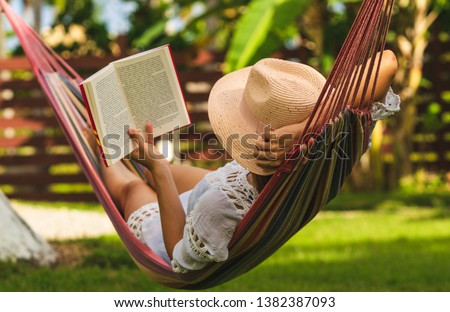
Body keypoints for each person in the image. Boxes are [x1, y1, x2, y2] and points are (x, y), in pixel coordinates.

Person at [85, 50, 400, 273]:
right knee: (154, 168)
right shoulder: (332, 144)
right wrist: (305, 128)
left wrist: (157, 170)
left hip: (180, 223)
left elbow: (177, 255)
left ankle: (96, 142)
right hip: (232, 183)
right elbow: (388, 61)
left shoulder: (219, 209)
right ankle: (141, 158)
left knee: (132, 188)